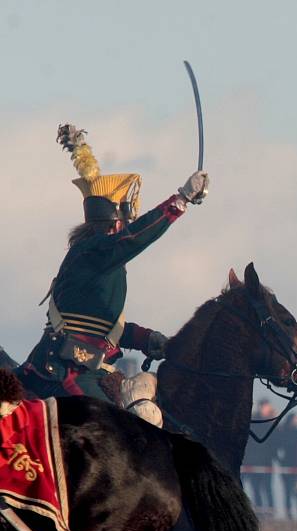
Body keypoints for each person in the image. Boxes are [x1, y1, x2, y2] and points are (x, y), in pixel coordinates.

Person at [17, 124, 209, 421]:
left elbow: (99, 326)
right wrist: (180, 200)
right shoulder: (94, 251)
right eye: (125, 223)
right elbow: (135, 238)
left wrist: (146, 339)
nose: (126, 228)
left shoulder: (98, 257)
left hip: (90, 368)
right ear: (116, 225)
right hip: (69, 371)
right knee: (128, 428)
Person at [242, 398, 278, 517]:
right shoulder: (254, 421)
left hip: (266, 462)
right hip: (254, 461)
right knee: (256, 488)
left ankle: (270, 511)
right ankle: (260, 511)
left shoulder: (270, 422)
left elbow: (274, 442)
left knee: (267, 488)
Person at [276, 412, 297, 521]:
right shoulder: (283, 433)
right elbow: (277, 449)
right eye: (296, 419)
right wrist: (280, 461)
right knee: (288, 492)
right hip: (287, 467)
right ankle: (289, 514)